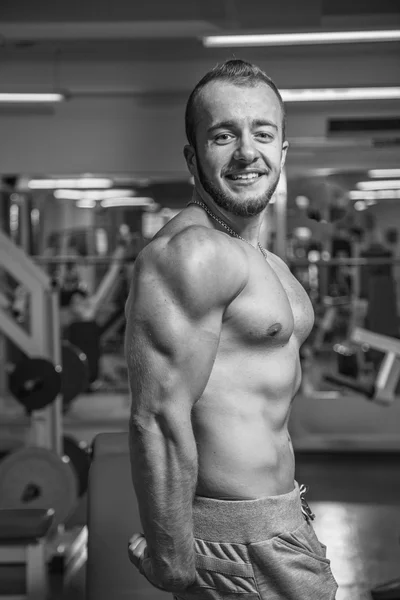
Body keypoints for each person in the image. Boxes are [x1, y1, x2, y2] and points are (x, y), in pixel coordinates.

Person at [125, 59, 338, 599]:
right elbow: (157, 414)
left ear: (282, 152)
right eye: (224, 135)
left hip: (284, 520)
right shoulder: (192, 254)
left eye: (262, 133)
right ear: (193, 158)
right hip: (236, 543)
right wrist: (172, 556)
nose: (247, 151)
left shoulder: (266, 262)